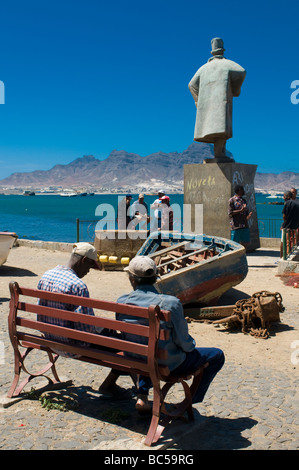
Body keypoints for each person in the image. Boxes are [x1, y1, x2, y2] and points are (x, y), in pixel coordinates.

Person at [114, 256, 225, 413]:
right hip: (165, 364)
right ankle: (191, 400)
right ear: (155, 278)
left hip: (136, 358)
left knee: (149, 348)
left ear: (132, 279)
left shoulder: (122, 301)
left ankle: (142, 395)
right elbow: (184, 342)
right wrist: (191, 347)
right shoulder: (170, 303)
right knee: (217, 355)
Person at [37, 242, 134, 396]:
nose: (89, 271)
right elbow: (85, 331)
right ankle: (139, 395)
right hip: (74, 346)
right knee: (127, 346)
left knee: (110, 334)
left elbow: (40, 315)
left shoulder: (47, 275)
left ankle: (111, 385)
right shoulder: (77, 285)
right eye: (90, 266)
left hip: (50, 339)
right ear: (83, 261)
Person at [188, 38, 246, 160]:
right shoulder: (227, 63)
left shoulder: (203, 68)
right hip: (221, 103)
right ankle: (220, 155)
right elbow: (242, 72)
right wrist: (235, 89)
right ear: (222, 51)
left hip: (207, 106)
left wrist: (198, 101)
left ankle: (220, 155)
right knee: (221, 130)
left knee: (216, 131)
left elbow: (191, 85)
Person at [280, 190, 299, 257]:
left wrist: (284, 223)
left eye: (284, 196)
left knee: (285, 242)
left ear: (287, 197)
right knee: (292, 241)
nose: (283, 198)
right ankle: (289, 254)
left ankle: (285, 256)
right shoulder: (297, 203)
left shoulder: (287, 203)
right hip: (295, 226)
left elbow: (284, 216)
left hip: (287, 226)